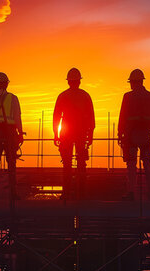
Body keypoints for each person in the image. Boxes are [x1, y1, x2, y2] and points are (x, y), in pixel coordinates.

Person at [53, 67, 95, 200]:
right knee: (81, 164)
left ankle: (66, 193)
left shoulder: (63, 96)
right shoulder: (85, 96)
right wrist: (90, 134)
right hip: (81, 133)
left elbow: (56, 117)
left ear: (68, 82)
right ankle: (82, 194)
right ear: (79, 81)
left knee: (67, 164)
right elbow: (91, 117)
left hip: (66, 133)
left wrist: (56, 134)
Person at [118, 69, 150, 201]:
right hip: (146, 135)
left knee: (131, 164)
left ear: (133, 82)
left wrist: (121, 133)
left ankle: (131, 193)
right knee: (147, 162)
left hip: (130, 135)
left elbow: (122, 116)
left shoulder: (128, 97)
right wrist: (147, 128)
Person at [0, 72, 24, 200]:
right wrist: (20, 133)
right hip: (10, 133)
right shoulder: (13, 98)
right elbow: (18, 117)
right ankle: (13, 194)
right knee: (11, 163)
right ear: (7, 84)